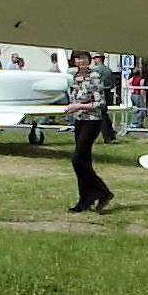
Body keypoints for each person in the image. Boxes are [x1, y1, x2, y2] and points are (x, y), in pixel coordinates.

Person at [64, 50, 113, 213]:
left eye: (84, 58)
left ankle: (103, 192)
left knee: (77, 159)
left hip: (92, 121)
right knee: (84, 161)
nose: (81, 61)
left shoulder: (94, 76)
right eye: (78, 58)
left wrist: (78, 106)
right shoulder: (74, 77)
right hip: (79, 121)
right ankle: (85, 200)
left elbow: (100, 103)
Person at [89, 53, 117, 142]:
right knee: (104, 114)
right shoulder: (108, 70)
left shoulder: (96, 70)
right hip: (108, 92)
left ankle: (107, 136)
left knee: (101, 116)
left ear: (99, 59)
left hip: (100, 93)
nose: (93, 60)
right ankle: (111, 133)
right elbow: (113, 83)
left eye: (94, 58)